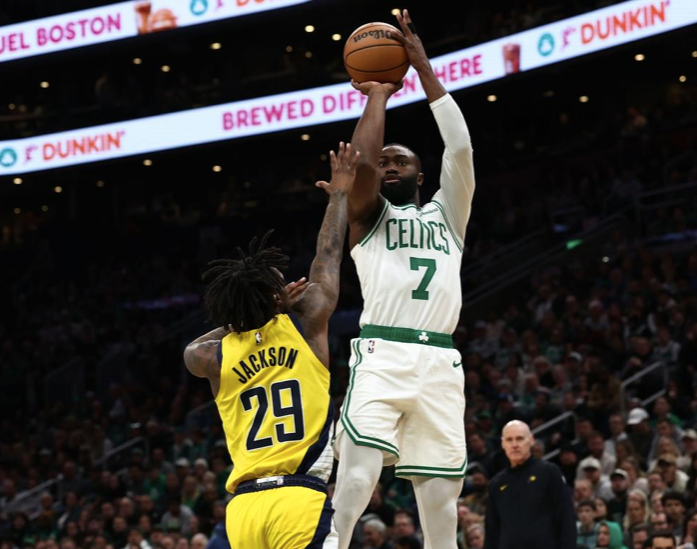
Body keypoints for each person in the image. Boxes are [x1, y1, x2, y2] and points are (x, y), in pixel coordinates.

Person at [331, 10, 475, 549]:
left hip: (439, 360)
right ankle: (333, 543)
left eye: (402, 161)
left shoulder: (448, 215)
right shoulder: (367, 217)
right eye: (387, 161)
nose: (390, 165)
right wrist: (378, 95)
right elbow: (362, 166)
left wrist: (424, 70)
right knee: (359, 475)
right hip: (383, 353)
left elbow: (460, 150)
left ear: (421, 174)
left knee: (441, 501)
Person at [183, 142, 361, 549]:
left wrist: (248, 317)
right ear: (276, 299)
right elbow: (328, 255)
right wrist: (339, 194)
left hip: (243, 511)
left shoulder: (213, 356)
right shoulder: (305, 323)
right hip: (296, 501)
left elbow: (189, 350)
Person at [483, 420, 576, 549]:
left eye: (519, 439)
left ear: (531, 440)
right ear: (503, 444)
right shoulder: (496, 483)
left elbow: (566, 517)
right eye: (509, 440)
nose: (514, 445)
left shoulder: (548, 472)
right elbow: (491, 531)